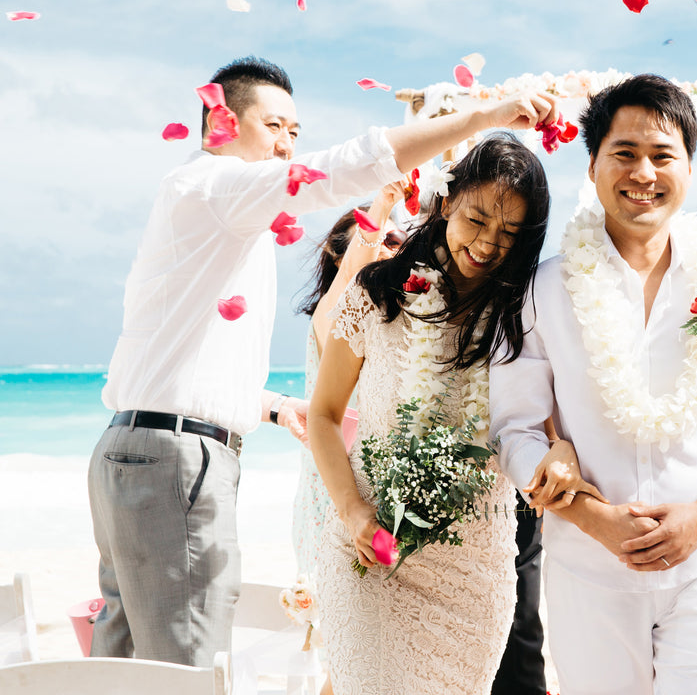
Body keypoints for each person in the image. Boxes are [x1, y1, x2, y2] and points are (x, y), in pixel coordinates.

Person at [88, 56, 554, 667]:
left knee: (118, 666)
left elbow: (176, 367)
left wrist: (279, 410)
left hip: (132, 450)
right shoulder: (212, 186)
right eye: (274, 126)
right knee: (185, 667)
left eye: (295, 133)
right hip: (176, 463)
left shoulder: (208, 220)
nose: (287, 146)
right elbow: (338, 170)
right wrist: (489, 115)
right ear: (220, 120)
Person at [489, 74, 697, 695]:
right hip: (588, 567)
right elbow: (513, 428)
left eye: (663, 156)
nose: (643, 173)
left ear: (688, 166)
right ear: (595, 164)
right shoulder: (544, 289)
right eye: (624, 154)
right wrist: (593, 517)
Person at [306, 133, 596, 694]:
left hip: (472, 570)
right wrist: (353, 511)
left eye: (510, 233)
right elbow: (322, 414)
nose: (488, 243)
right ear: (445, 202)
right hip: (371, 543)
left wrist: (562, 450)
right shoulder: (378, 294)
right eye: (477, 219)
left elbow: (554, 425)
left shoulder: (525, 314)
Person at [293, 188, 408, 579]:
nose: (394, 250)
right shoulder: (333, 308)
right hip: (337, 487)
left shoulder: (388, 319)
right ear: (341, 255)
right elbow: (352, 273)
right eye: (385, 240)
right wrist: (385, 202)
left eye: (401, 242)